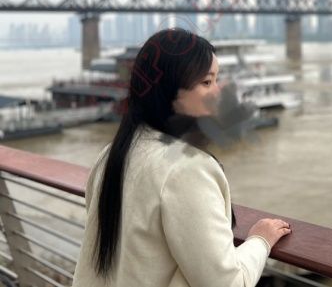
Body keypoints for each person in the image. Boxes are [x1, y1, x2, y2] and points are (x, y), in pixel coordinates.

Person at [72, 28, 291, 287]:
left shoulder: (111, 154)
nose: (218, 92)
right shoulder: (186, 169)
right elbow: (229, 283)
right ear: (169, 91)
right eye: (207, 82)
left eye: (217, 80)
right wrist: (260, 240)